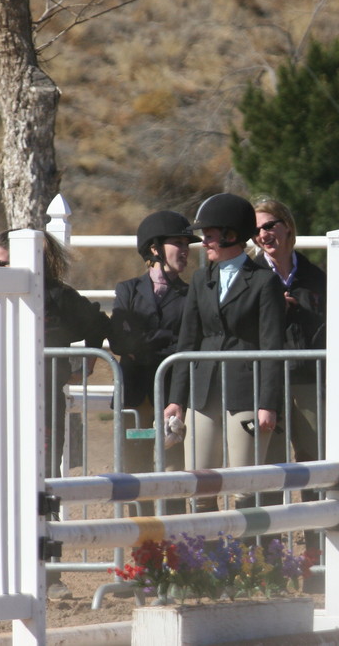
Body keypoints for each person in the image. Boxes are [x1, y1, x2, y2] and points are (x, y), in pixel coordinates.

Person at [0, 228, 110, 601]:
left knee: (42, 489)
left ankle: (51, 574)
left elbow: (97, 325)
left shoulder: (60, 298)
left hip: (44, 408)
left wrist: (87, 364)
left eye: (3, 264)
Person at [163, 193, 286, 513]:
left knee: (245, 485)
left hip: (247, 392)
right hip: (203, 390)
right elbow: (187, 342)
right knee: (200, 484)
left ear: (231, 235)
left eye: (210, 235)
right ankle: (205, 561)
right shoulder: (202, 279)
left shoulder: (264, 282)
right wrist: (178, 398)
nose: (203, 242)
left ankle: (250, 562)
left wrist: (268, 403)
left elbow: (272, 346)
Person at [251, 197, 327, 584]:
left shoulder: (315, 275)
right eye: (258, 228)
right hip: (267, 382)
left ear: (288, 226)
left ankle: (314, 563)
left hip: (308, 378)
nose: (264, 234)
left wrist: (303, 307)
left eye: (270, 225)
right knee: (271, 473)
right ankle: (273, 564)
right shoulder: (250, 275)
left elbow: (333, 322)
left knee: (312, 469)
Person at [110, 211, 201, 515]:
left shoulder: (192, 295)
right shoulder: (127, 290)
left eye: (187, 244)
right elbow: (121, 341)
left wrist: (147, 341)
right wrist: (164, 340)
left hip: (172, 395)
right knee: (135, 467)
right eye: (178, 243)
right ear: (154, 249)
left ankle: (174, 543)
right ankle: (140, 547)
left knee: (173, 469)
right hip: (136, 393)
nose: (186, 250)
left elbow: (187, 343)